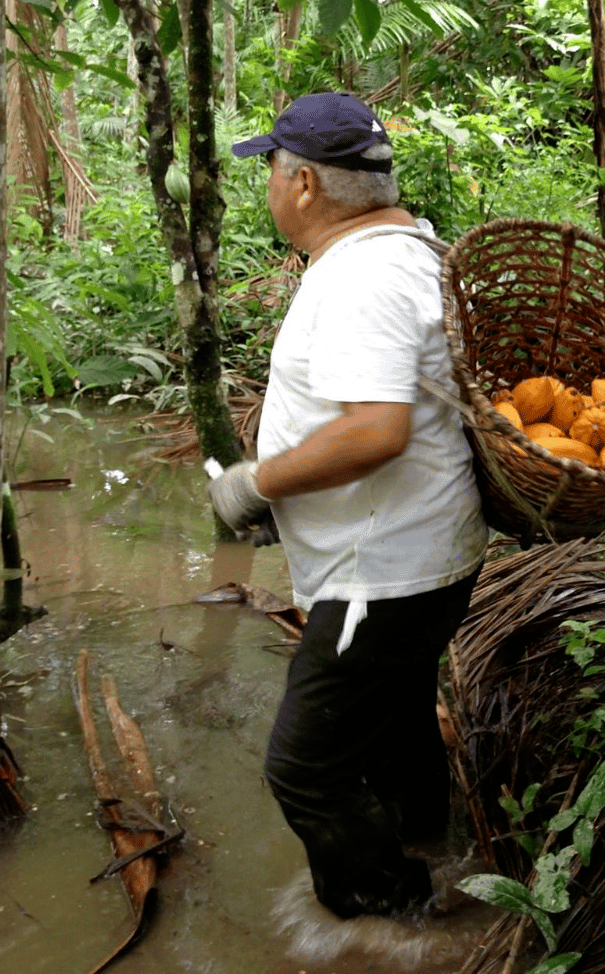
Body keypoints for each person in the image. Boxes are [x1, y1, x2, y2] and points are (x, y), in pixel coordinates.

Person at [209, 92, 488, 919]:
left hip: (381, 575)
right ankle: (428, 847)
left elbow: (374, 432)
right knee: (398, 719)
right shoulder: (405, 250)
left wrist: (257, 482)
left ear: (301, 185)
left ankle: (387, 922)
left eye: (269, 169)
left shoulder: (361, 277)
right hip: (422, 555)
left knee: (306, 765)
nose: (267, 186)